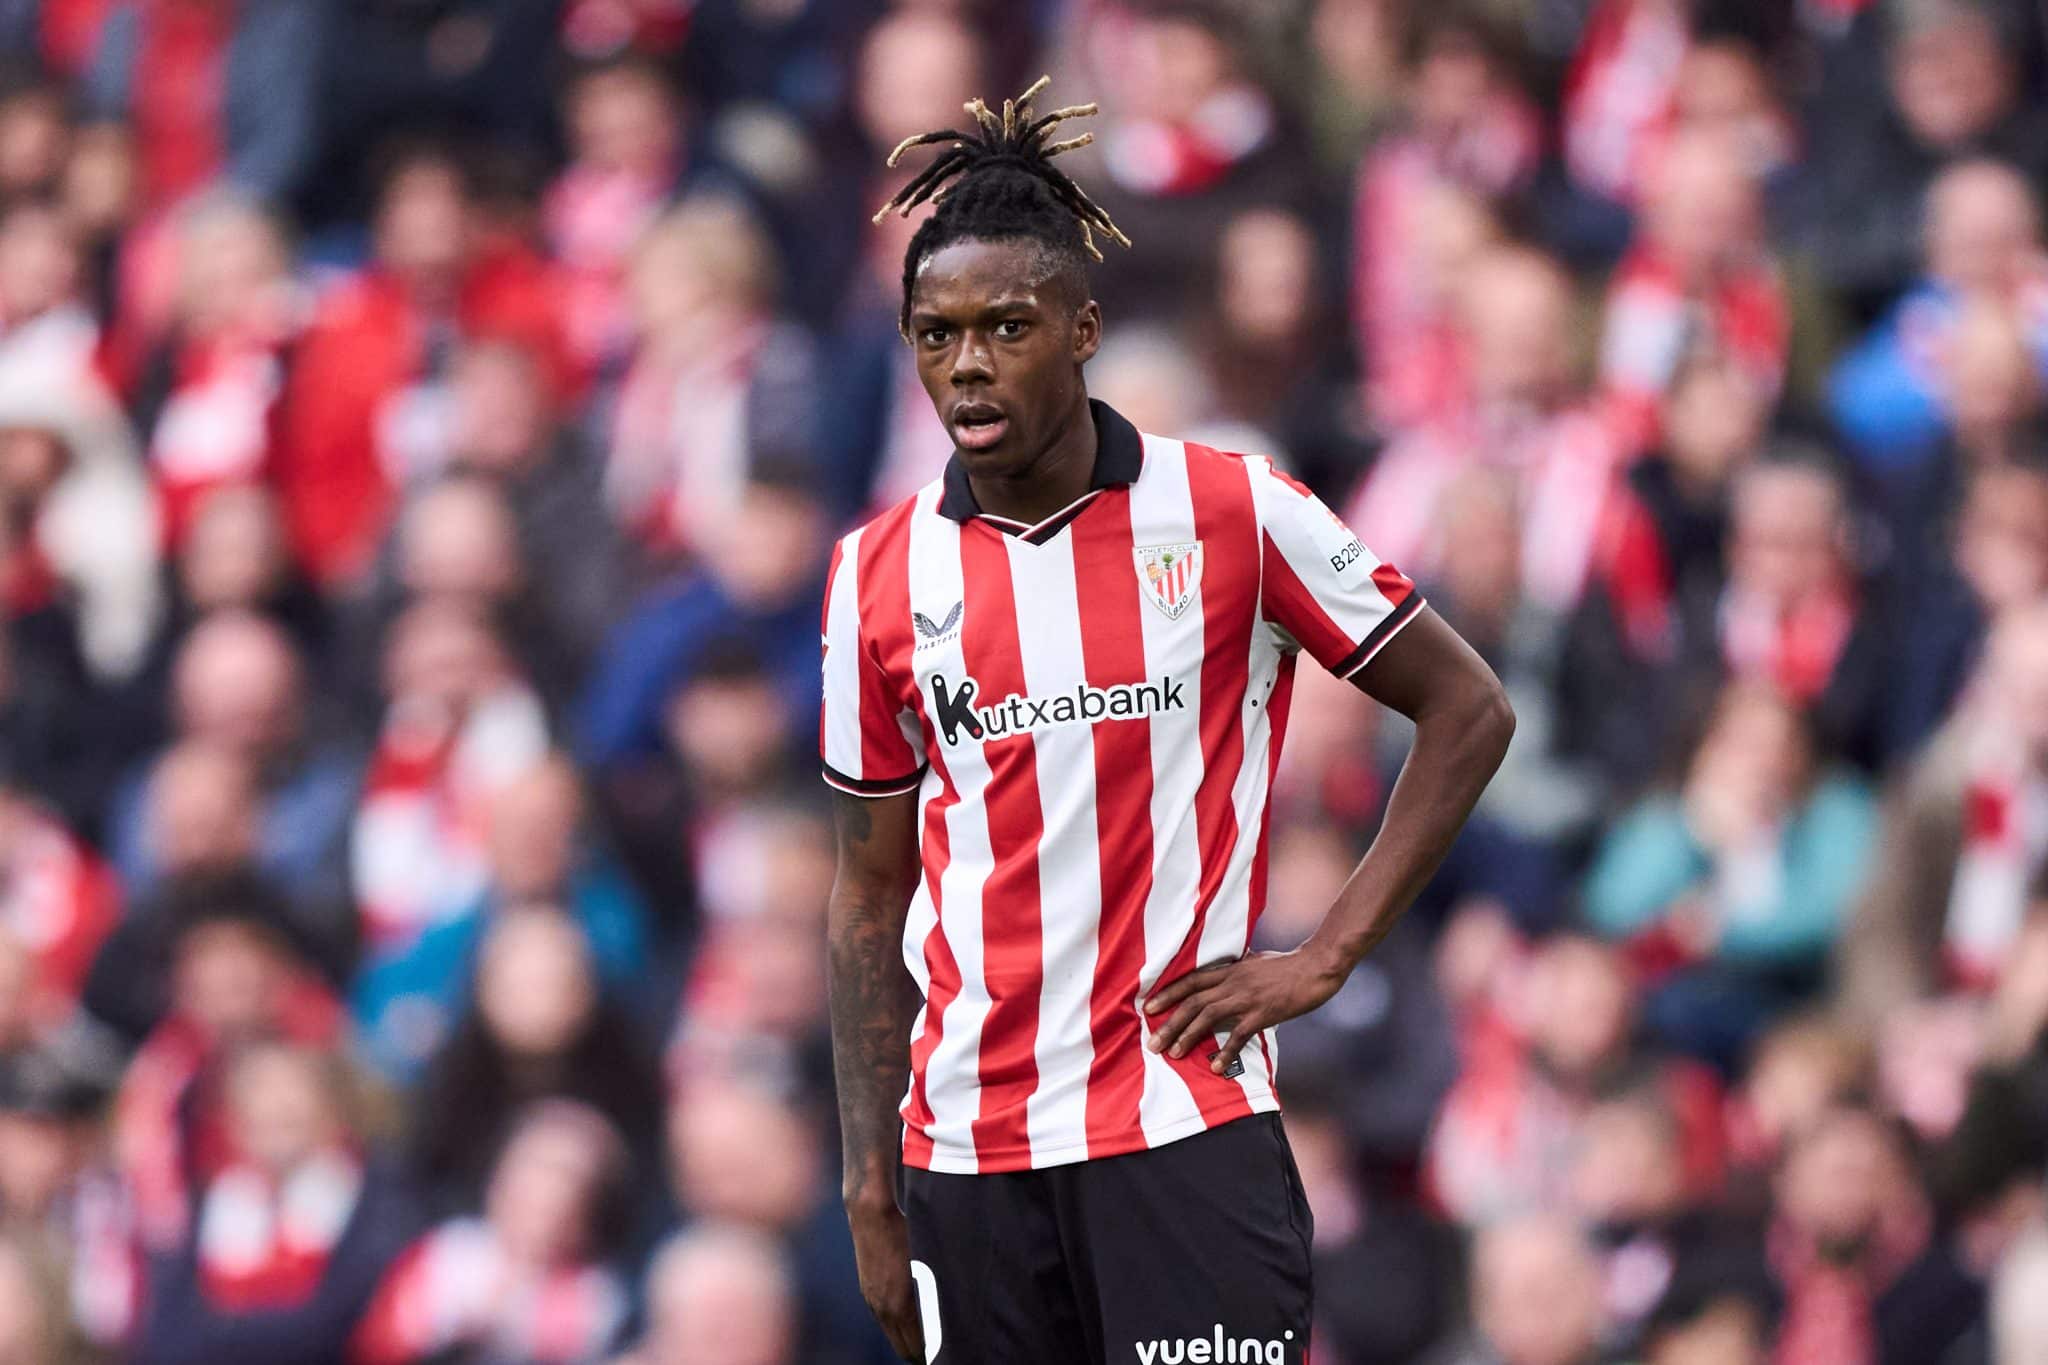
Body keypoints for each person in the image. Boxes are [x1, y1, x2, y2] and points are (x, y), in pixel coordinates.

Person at [826, 79, 1514, 1362]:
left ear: (1082, 330)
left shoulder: (1232, 512)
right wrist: (870, 1180)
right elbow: (869, 889)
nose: (966, 364)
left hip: (1181, 1129)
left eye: (1006, 326)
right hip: (966, 1156)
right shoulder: (875, 572)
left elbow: (1466, 709)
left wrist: (1324, 955)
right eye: (935, 334)